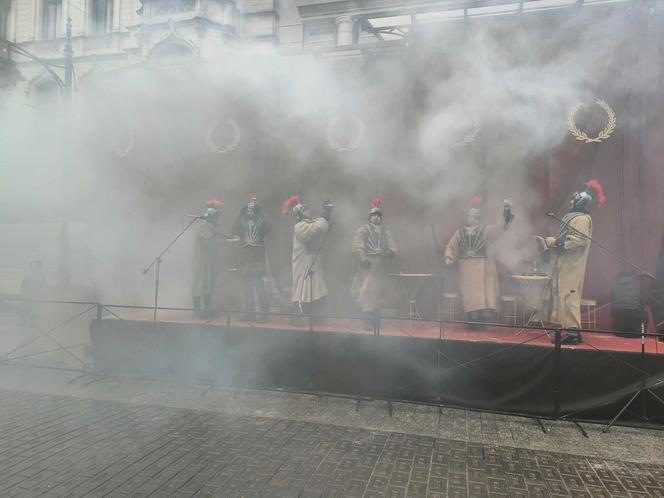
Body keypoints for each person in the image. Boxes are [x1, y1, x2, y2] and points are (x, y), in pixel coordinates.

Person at [536, 179, 605, 344]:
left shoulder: (581, 219)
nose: (571, 201)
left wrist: (556, 242)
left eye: (574, 199)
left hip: (572, 264)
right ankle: (570, 330)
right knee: (564, 295)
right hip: (566, 263)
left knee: (569, 296)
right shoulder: (575, 217)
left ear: (581, 202)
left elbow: (578, 241)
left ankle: (573, 333)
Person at [445, 197, 514, 329]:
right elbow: (451, 246)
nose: (473, 220)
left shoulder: (486, 230)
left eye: (476, 218)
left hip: (483, 268)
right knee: (469, 297)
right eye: (471, 217)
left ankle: (480, 321)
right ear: (468, 218)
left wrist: (506, 211)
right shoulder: (459, 233)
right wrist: (449, 257)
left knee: (482, 297)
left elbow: (500, 227)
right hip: (466, 268)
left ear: (479, 219)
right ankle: (471, 320)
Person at [282, 195, 332, 325]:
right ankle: (295, 317)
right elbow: (312, 231)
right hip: (303, 263)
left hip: (313, 262)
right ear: (299, 213)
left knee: (315, 289)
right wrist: (325, 216)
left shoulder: (310, 222)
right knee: (301, 289)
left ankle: (314, 316)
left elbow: (318, 227)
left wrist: (326, 214)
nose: (307, 211)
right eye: (304, 210)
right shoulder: (299, 226)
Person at [351, 198, 396, 330]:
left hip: (380, 265)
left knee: (378, 291)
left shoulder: (384, 232)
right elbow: (357, 245)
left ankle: (375, 318)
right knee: (366, 291)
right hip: (368, 264)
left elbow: (391, 244)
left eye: (378, 215)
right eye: (374, 215)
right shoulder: (363, 229)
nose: (376, 217)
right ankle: (367, 320)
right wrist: (362, 259)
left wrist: (392, 251)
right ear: (369, 217)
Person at [231, 194, 272, 323]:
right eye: (247, 210)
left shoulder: (261, 221)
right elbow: (233, 228)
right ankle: (249, 314)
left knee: (259, 285)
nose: (249, 212)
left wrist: (261, 210)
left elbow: (269, 225)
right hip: (246, 257)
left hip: (257, 257)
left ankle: (264, 314)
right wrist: (240, 212)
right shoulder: (242, 221)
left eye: (251, 209)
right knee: (247, 286)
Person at [192, 199, 225, 319]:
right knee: (200, 284)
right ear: (210, 217)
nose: (217, 219)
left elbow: (221, 233)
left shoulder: (211, 226)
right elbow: (210, 243)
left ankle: (207, 310)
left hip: (208, 261)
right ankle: (197, 312)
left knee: (208, 284)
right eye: (216, 216)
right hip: (201, 262)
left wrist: (229, 237)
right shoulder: (203, 227)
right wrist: (226, 241)